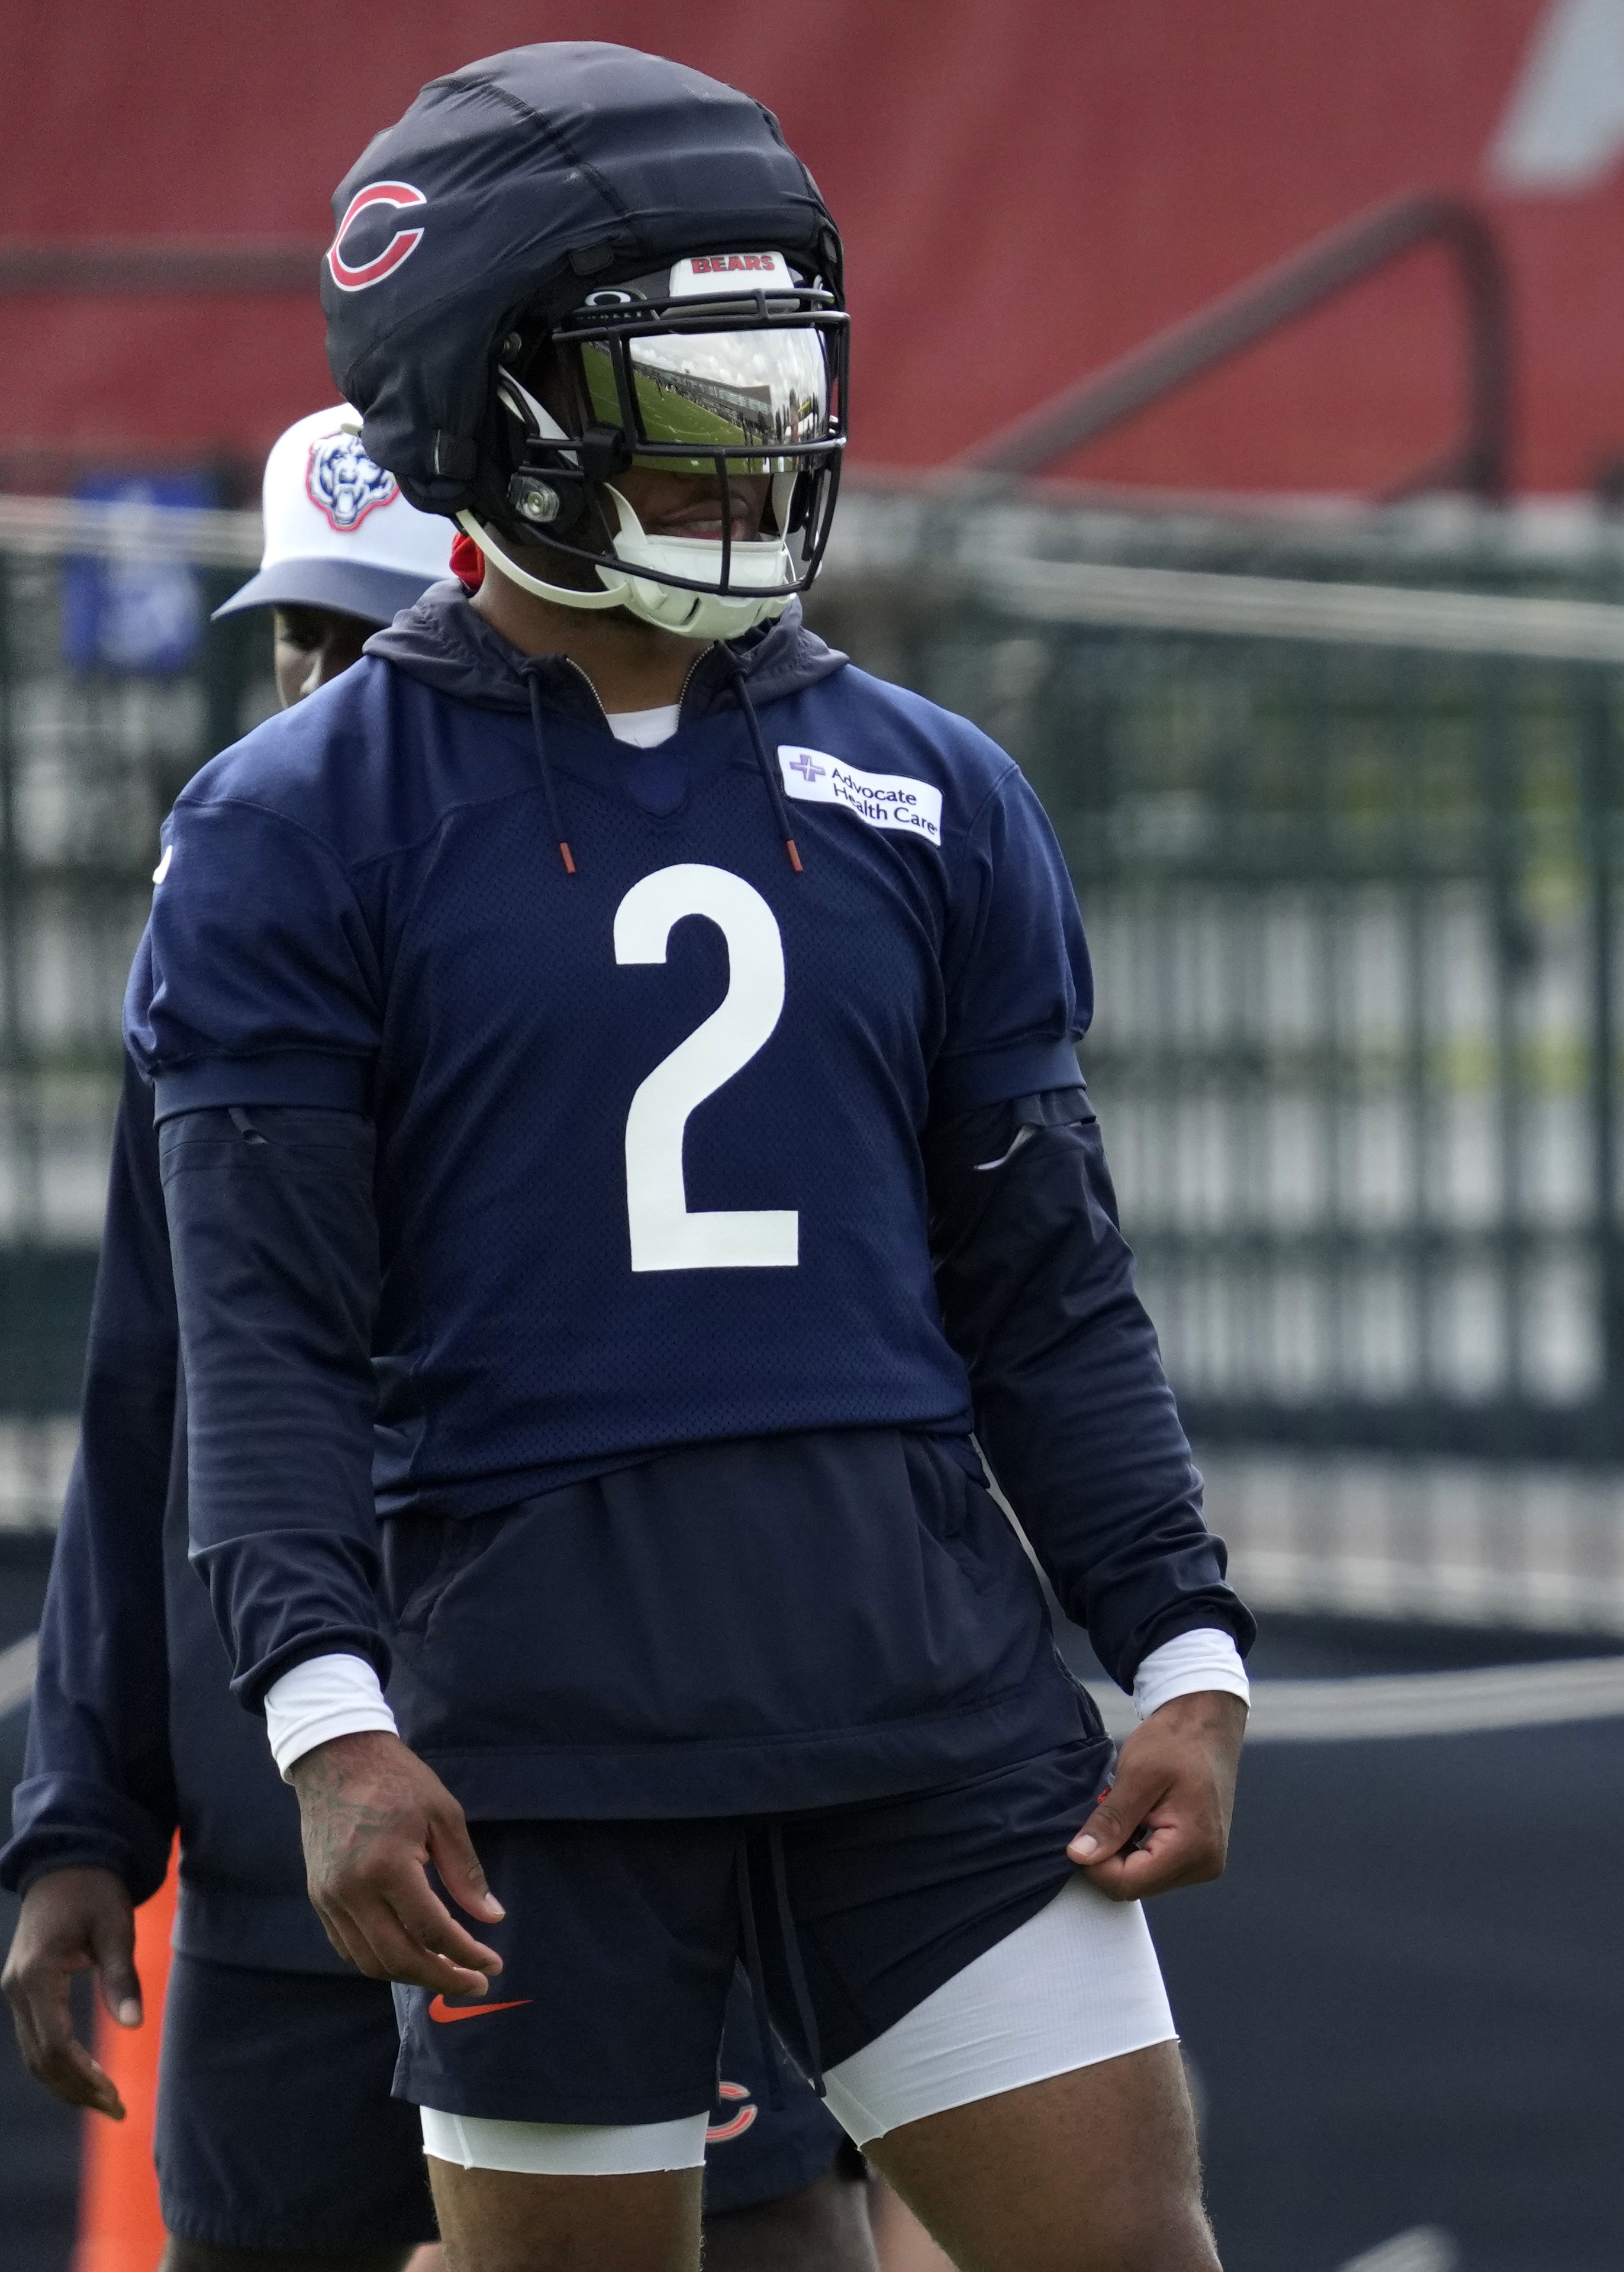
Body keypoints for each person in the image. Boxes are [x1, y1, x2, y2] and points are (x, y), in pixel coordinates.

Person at [133, 42, 1252, 2272]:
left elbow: (1047, 1280)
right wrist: (330, 1723)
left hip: (920, 1695)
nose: (766, 441)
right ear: (485, 403)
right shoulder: (285, 832)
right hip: (535, 1738)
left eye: (783, 379)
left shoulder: (940, 789)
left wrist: (1182, 1637)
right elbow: (257, 1348)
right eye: (687, 386)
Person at [3, 405, 873, 2271]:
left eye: (373, 642)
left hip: (598, 1815)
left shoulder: (642, 969)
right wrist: (79, 1814)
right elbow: (151, 1396)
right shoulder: (232, 940)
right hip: (278, 1857)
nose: (323, 693)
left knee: (772, 2246)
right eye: (302, 644)